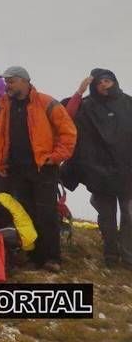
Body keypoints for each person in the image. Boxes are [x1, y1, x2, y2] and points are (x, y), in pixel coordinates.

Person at [0, 66, 76, 272]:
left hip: (43, 168)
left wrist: (55, 157)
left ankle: (52, 257)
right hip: (17, 170)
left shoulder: (46, 102)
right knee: (26, 214)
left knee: (47, 213)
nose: (7, 86)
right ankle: (34, 256)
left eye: (11, 82)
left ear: (24, 81)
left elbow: (68, 132)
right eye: (6, 82)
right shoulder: (5, 106)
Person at [70, 69, 132, 269]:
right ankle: (111, 254)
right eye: (98, 83)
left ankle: (129, 254)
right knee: (106, 216)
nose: (104, 85)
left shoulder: (128, 103)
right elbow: (67, 118)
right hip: (99, 171)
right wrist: (79, 92)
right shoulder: (87, 106)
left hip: (127, 170)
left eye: (107, 81)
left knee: (129, 214)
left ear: (114, 81)